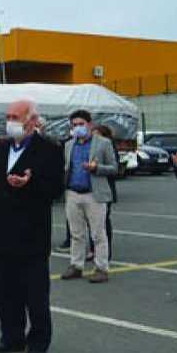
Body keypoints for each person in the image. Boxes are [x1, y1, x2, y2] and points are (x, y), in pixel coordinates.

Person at [0, 99, 64, 353]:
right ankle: (11, 336)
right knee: (5, 291)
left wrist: (29, 183)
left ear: (32, 121)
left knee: (35, 292)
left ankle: (38, 341)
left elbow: (55, 189)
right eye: (7, 116)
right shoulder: (1, 149)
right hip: (2, 232)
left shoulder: (49, 150)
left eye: (15, 117)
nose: (10, 122)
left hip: (31, 233)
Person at [60, 110, 117, 284]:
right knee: (76, 234)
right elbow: (67, 167)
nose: (77, 128)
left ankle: (101, 268)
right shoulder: (69, 145)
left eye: (81, 124)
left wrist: (96, 168)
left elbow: (114, 167)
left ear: (89, 125)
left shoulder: (103, 143)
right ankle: (76, 266)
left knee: (98, 234)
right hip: (72, 193)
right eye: (74, 125)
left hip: (94, 194)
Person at [92, 125, 117, 261]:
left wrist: (97, 168)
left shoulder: (107, 146)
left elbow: (114, 168)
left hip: (104, 189)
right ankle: (93, 249)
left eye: (97, 134)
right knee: (92, 223)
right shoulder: (89, 146)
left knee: (103, 222)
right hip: (91, 190)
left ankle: (105, 252)